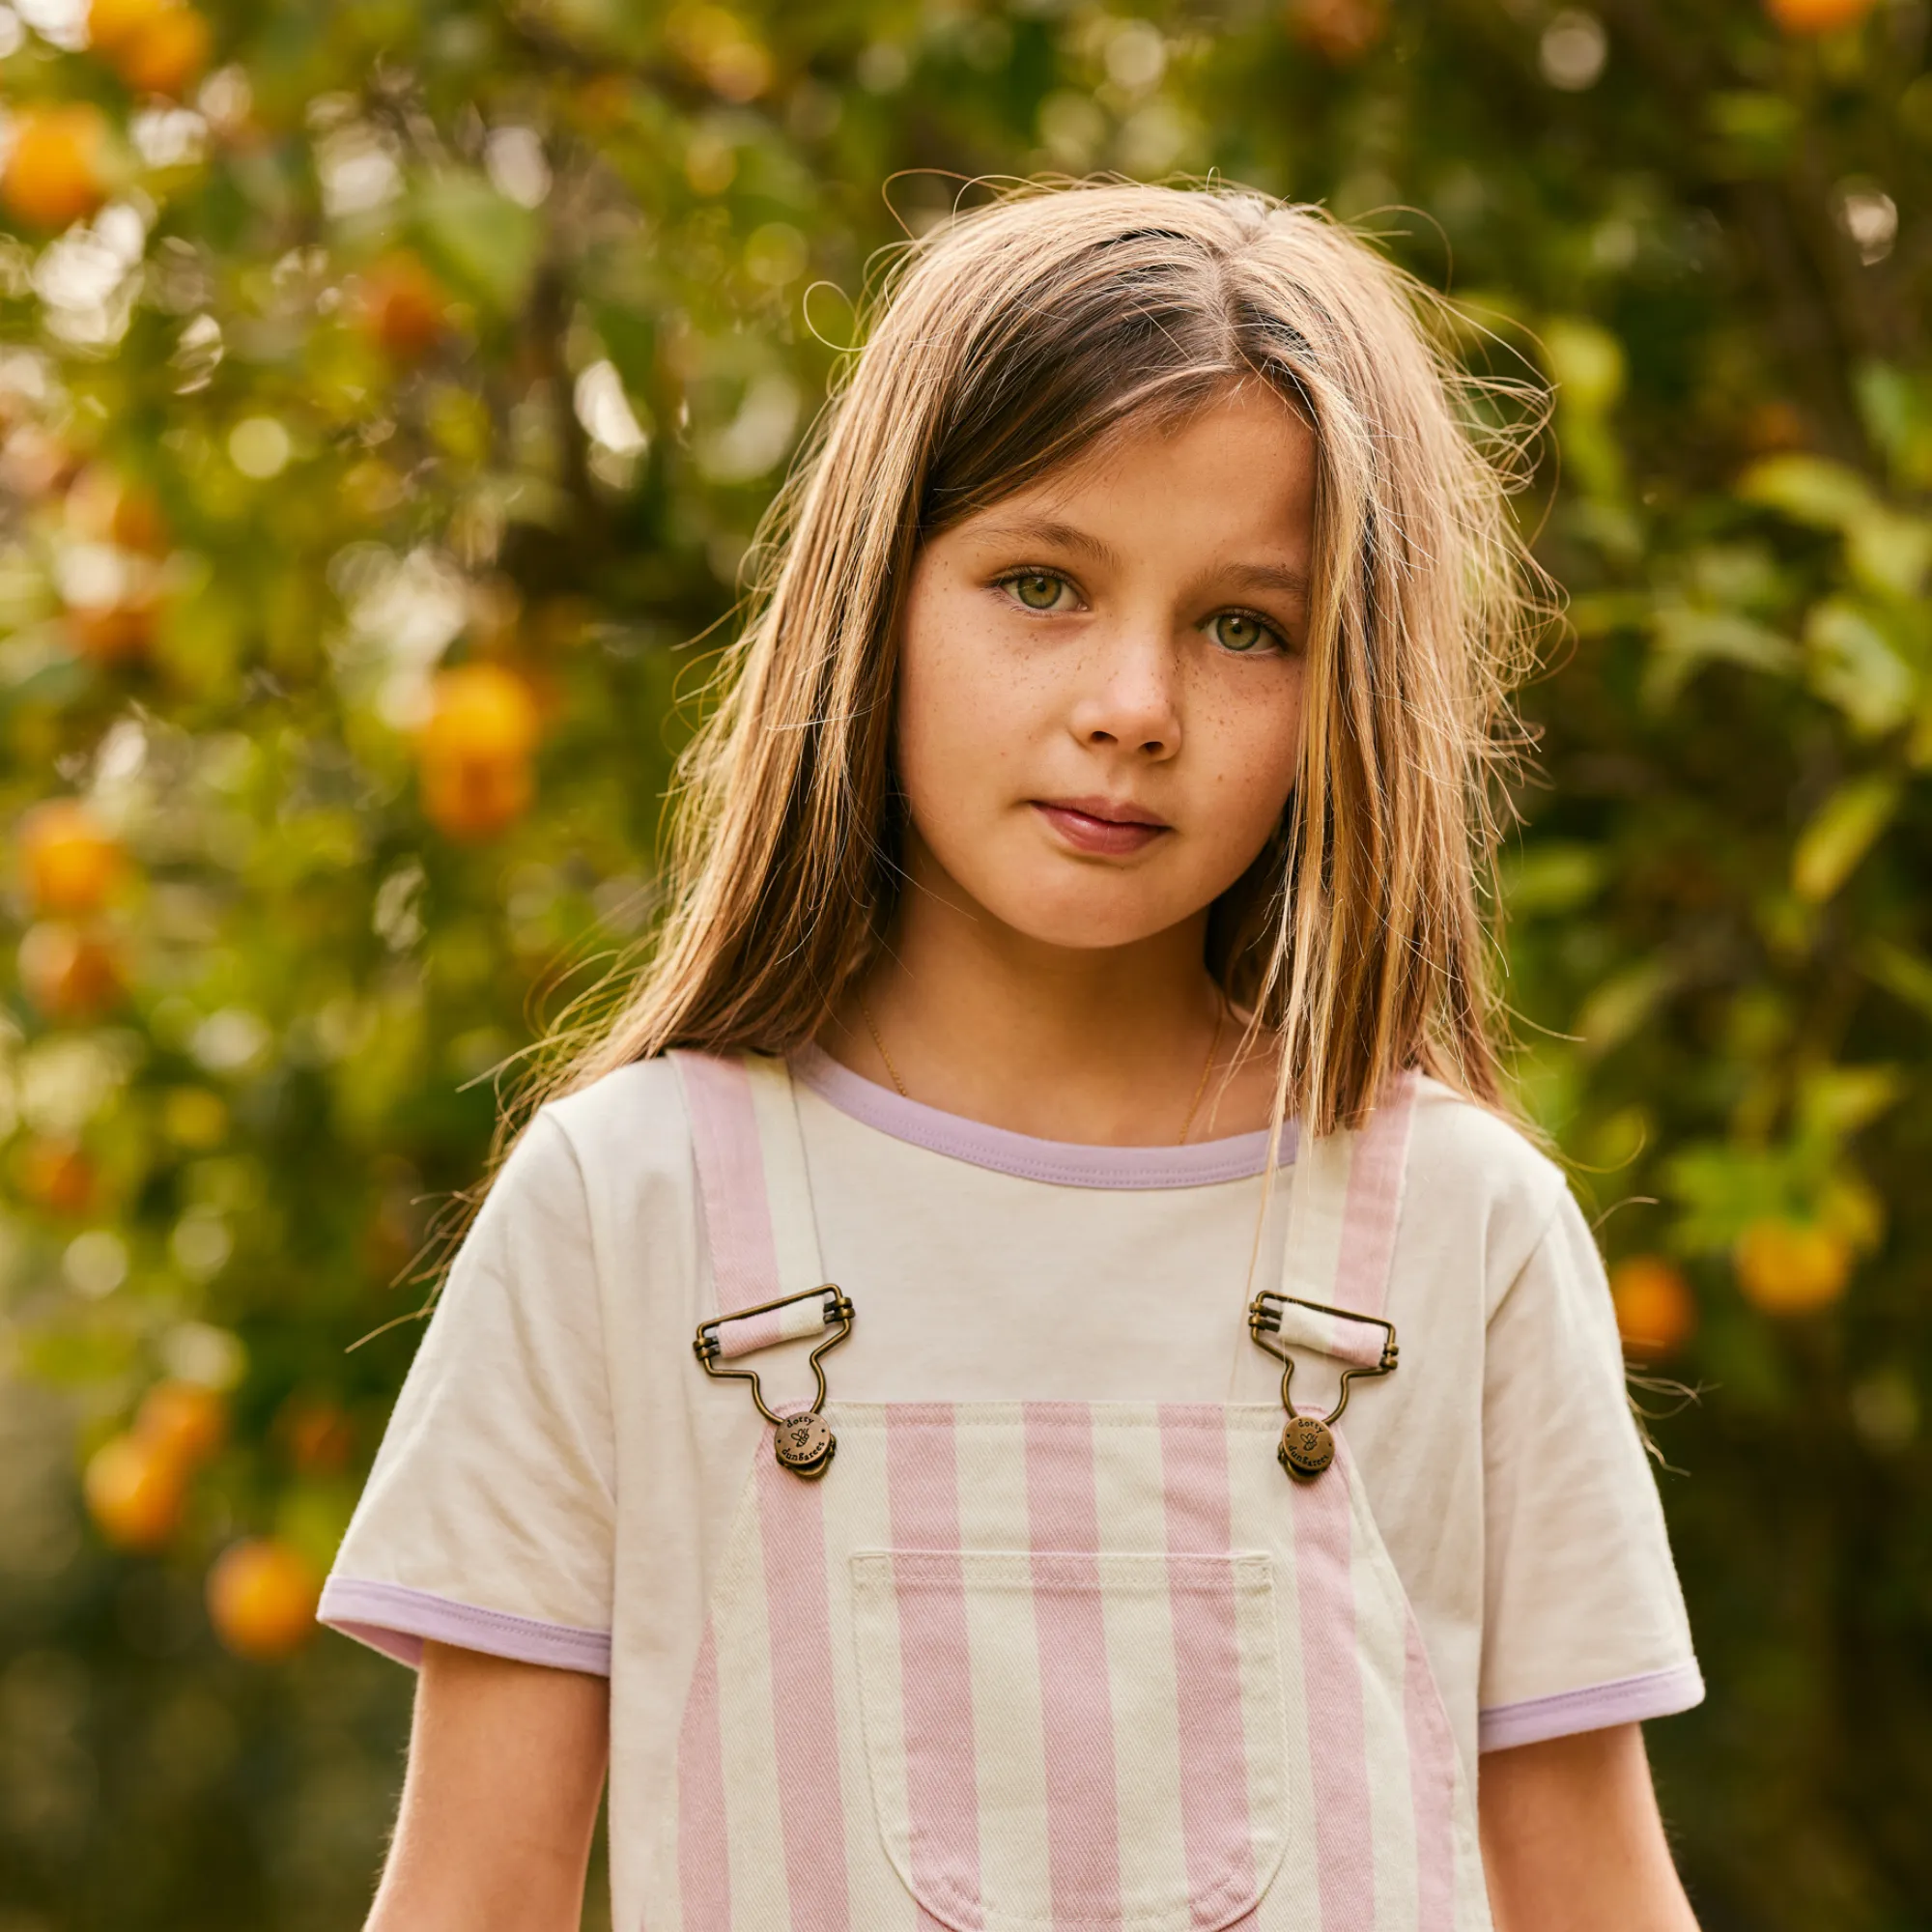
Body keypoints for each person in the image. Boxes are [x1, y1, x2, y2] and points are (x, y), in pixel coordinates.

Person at [320, 181, 1705, 1932]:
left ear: (1345, 687)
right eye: (1041, 583)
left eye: (1245, 625)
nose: (1135, 701)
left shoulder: (1463, 1228)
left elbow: (1595, 1890)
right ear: (874, 604)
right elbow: (474, 1896)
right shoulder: (628, 1205)